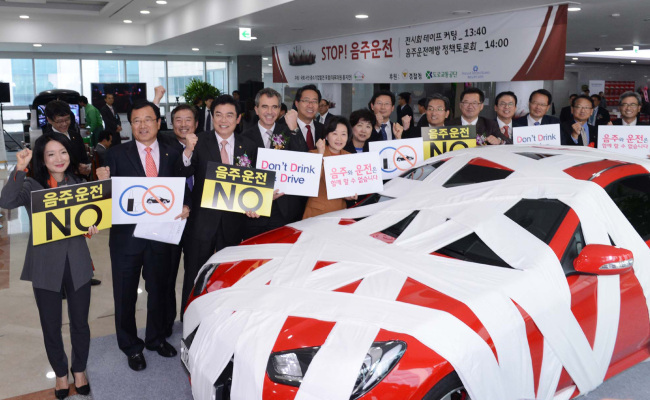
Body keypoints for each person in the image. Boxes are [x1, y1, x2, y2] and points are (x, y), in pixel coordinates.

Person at [0, 134, 98, 399]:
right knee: (50, 324)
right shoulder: (31, 185)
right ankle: (61, 373)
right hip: (44, 264)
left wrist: (91, 227)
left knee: (80, 322)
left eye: (63, 152)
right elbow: (6, 202)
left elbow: (88, 220)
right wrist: (19, 168)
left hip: (77, 261)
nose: (59, 159)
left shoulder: (79, 183)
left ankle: (79, 370)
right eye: (51, 154)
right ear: (42, 159)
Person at [96, 100, 190, 372]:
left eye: (148, 119)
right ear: (130, 125)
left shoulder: (174, 152)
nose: (142, 125)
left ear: (159, 123)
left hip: (162, 235)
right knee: (125, 294)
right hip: (127, 238)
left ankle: (155, 338)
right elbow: (106, 197)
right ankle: (130, 346)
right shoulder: (114, 154)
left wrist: (186, 206)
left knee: (159, 289)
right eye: (136, 121)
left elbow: (185, 187)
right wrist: (102, 182)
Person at [178, 95, 258, 318]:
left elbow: (253, 183)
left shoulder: (248, 146)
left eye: (229, 115)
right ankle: (189, 320)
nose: (224, 120)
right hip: (202, 222)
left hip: (233, 223)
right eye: (218, 115)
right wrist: (187, 151)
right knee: (194, 275)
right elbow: (183, 172)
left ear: (239, 118)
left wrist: (255, 203)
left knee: (227, 275)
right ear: (212, 117)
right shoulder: (199, 141)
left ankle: (221, 319)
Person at [242, 88, 308, 239]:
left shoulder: (289, 132)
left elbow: (304, 161)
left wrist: (294, 128)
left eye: (275, 107)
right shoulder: (244, 138)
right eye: (265, 106)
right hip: (255, 213)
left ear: (280, 110)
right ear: (256, 109)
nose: (269, 111)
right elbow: (242, 174)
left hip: (285, 211)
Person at [303, 116, 357, 219]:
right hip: (317, 213)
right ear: (327, 136)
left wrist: (350, 195)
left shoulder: (350, 157)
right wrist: (320, 154)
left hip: (340, 212)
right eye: (335, 134)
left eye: (343, 134)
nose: (339, 139)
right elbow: (310, 183)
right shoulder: (314, 154)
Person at [44, 100, 91, 176]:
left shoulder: (76, 136)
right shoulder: (45, 141)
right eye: (59, 121)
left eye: (67, 119)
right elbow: (44, 169)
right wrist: (74, 170)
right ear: (49, 120)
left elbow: (84, 158)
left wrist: (86, 168)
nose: (64, 124)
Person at [293, 84, 325, 150]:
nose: (310, 105)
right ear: (297, 104)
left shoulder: (323, 129)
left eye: (314, 101)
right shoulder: (285, 128)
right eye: (306, 101)